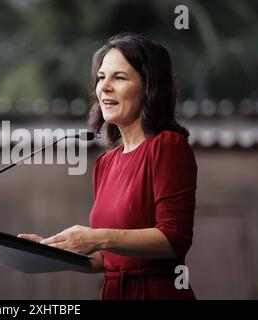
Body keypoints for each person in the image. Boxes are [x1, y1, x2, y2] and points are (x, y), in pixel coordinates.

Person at [18, 32, 197, 300]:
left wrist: (98, 237)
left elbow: (174, 238)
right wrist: (51, 251)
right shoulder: (106, 162)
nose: (104, 87)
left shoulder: (167, 146)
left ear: (149, 88)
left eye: (119, 77)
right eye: (101, 77)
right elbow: (109, 259)